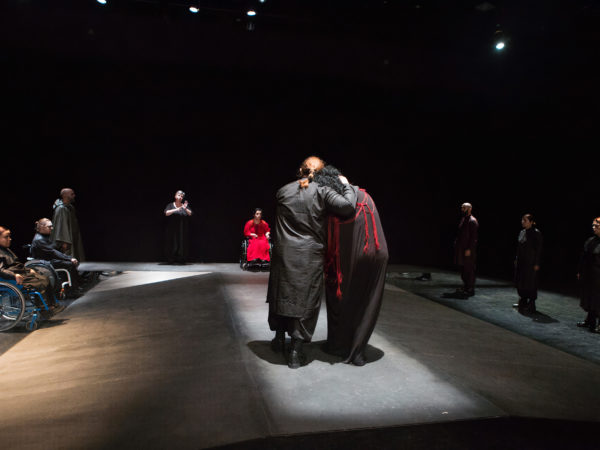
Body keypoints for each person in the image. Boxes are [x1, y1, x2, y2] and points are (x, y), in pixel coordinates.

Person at [267, 156, 357, 369]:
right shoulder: (323, 191)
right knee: (305, 301)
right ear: (321, 173)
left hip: (283, 254)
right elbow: (348, 207)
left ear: (300, 170)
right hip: (308, 256)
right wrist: (347, 186)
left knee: (282, 294)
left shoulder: (283, 191)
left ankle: (279, 340)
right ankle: (296, 353)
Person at [314, 166, 389, 366]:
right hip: (378, 254)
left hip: (352, 255)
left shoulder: (335, 204)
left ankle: (338, 346)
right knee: (367, 301)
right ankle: (357, 352)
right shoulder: (364, 195)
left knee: (341, 297)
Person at [0, 226, 63, 317]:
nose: (10, 239)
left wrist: (29, 269)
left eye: (9, 236)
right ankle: (43, 309)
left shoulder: (5, 250)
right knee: (38, 283)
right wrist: (14, 275)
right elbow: (1, 270)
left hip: (19, 273)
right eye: (6, 237)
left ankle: (52, 305)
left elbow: (17, 265)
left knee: (44, 278)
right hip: (11, 278)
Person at [31, 218, 83, 296]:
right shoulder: (39, 240)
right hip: (46, 263)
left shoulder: (43, 236)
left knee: (70, 261)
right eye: (49, 227)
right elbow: (53, 252)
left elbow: (53, 248)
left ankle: (75, 285)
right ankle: (72, 291)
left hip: (49, 260)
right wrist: (69, 258)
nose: (52, 228)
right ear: (42, 227)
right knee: (70, 264)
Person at [513, 214, 543, 314]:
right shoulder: (522, 232)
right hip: (522, 262)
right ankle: (523, 300)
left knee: (530, 282)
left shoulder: (536, 233)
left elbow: (538, 249)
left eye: (525, 220)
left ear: (531, 222)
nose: (522, 222)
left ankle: (531, 304)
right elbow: (519, 247)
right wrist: (517, 258)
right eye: (522, 220)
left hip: (530, 262)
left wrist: (536, 263)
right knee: (521, 281)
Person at [576, 217, 600, 333]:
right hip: (590, 274)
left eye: (597, 226)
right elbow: (583, 257)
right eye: (593, 226)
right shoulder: (591, 240)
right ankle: (590, 320)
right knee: (590, 297)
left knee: (598, 298)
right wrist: (580, 271)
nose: (594, 228)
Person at [51, 188, 85, 262]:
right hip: (65, 240)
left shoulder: (70, 208)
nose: (74, 196)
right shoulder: (61, 209)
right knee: (67, 256)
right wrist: (64, 241)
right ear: (65, 195)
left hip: (71, 237)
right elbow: (61, 226)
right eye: (72, 194)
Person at [453, 202, 478, 298]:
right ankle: (466, 286)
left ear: (469, 209)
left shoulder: (472, 221)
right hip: (462, 248)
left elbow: (473, 238)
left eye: (464, 208)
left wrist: (469, 249)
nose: (462, 210)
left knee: (469, 269)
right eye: (462, 208)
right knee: (463, 269)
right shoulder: (464, 219)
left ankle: (470, 288)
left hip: (468, 250)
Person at [164, 190, 193, 264]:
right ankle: (171, 259)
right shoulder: (170, 205)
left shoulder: (184, 205)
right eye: (179, 195)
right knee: (172, 243)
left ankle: (181, 259)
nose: (180, 197)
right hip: (172, 228)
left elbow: (190, 213)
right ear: (175, 196)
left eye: (182, 196)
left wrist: (185, 208)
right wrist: (177, 209)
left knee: (181, 243)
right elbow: (166, 213)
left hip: (181, 229)